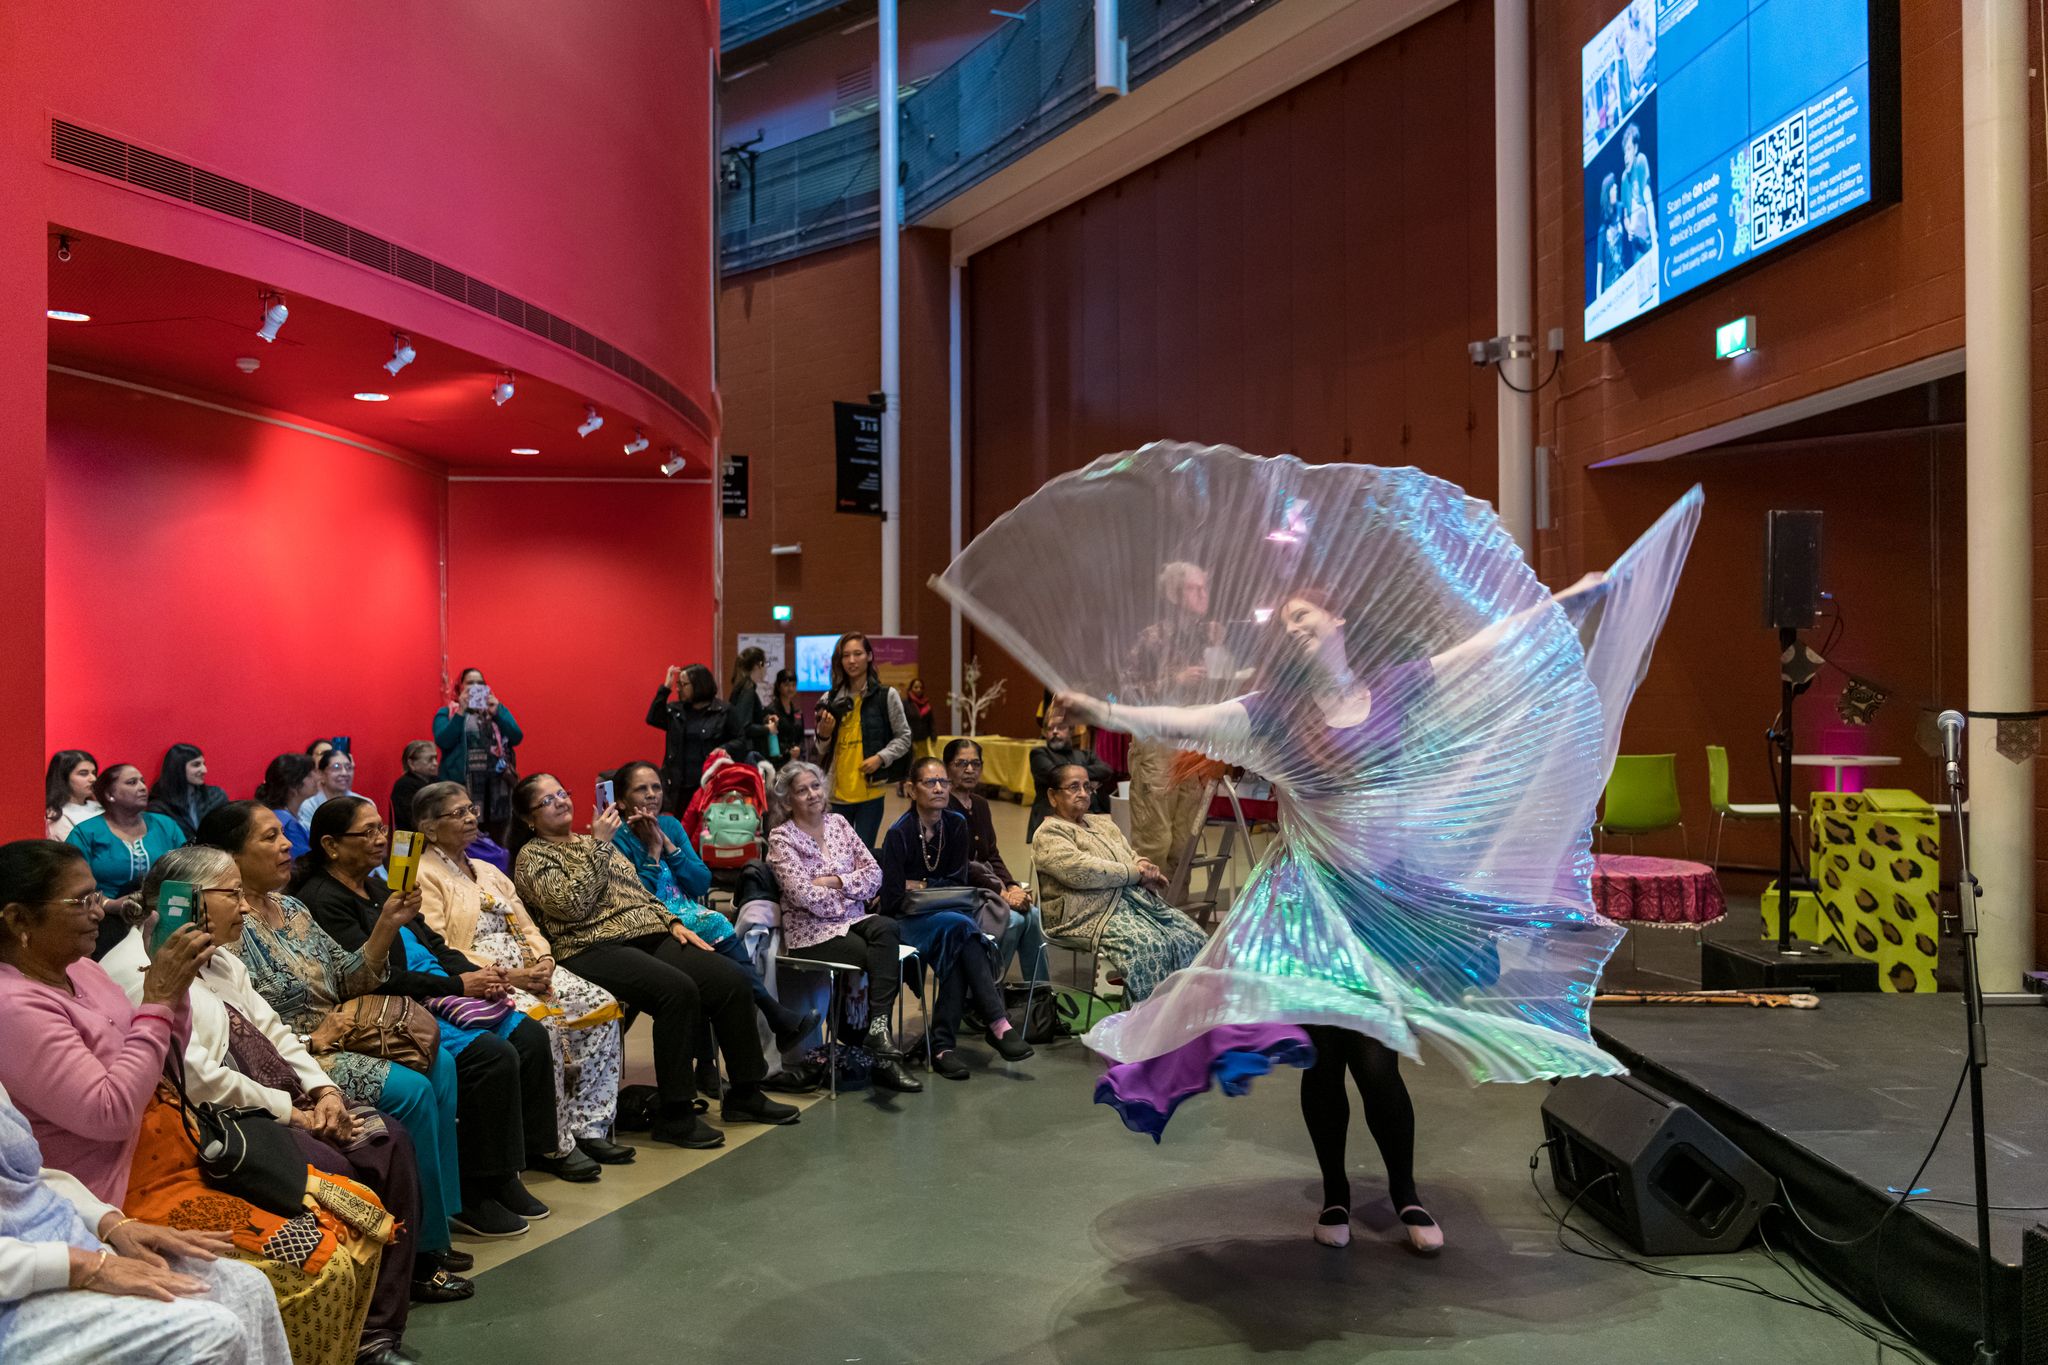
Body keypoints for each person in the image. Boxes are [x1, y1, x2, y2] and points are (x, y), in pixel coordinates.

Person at [962, 448, 1699, 1254]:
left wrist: (1568, 600)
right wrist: (1098, 702)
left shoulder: (1398, 687)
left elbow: (1478, 657)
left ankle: (1410, 1197)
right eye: (1287, 621)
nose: (1296, 623)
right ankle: (1339, 1199)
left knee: (1376, 1064)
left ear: (1338, 621)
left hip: (1385, 903)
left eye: (1308, 614)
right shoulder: (1270, 712)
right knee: (1325, 1058)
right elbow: (1184, 721)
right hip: (1308, 907)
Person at [110, 848, 439, 1356]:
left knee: (387, 1138)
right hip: (220, 1126)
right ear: (190, 900)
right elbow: (197, 1078)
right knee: (336, 1166)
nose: (244, 907)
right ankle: (345, 1331)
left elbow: (275, 1032)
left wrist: (324, 1091)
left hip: (281, 1100)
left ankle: (377, 1329)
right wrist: (294, 1114)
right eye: (232, 894)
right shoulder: (137, 973)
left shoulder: (218, 957)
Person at [194, 803, 475, 1284]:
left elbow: (349, 978)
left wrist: (387, 923)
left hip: (339, 1030)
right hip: (302, 1051)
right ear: (230, 857)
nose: (286, 845)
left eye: (283, 834)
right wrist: (311, 1037)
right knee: (410, 1091)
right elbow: (244, 1022)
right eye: (269, 838)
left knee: (442, 1062)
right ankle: (419, 1248)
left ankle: (441, 1216)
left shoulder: (293, 908)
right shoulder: (228, 927)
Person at [294, 797, 593, 1225]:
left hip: (434, 986)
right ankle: (475, 1185)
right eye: (369, 832)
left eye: (383, 829)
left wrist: (481, 975)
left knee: (528, 1035)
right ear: (331, 845)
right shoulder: (323, 899)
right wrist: (457, 985)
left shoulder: (379, 886)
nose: (382, 840)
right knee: (489, 1057)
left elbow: (433, 944)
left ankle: (509, 1170)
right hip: (391, 1004)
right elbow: (378, 978)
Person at [511, 775, 799, 1148]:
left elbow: (639, 892)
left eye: (562, 793)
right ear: (529, 819)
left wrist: (673, 921)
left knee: (730, 979)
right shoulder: (533, 857)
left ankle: (745, 1093)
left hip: (649, 933)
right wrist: (600, 845)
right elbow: (571, 905)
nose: (561, 801)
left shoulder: (592, 843)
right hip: (589, 946)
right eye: (547, 800)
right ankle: (676, 1114)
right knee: (675, 991)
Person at [412, 781, 636, 1168]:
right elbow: (440, 946)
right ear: (429, 828)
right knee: (543, 1026)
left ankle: (589, 1126)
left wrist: (545, 960)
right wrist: (512, 976)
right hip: (485, 975)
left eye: (471, 810)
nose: (470, 818)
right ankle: (552, 1142)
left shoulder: (485, 869)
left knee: (602, 1006)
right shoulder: (422, 873)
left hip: (531, 965)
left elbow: (527, 923)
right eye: (458, 813)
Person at [0, 1071, 290, 1365]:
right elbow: (114, 1109)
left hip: (89, 1219)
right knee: (212, 1333)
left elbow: (27, 1175)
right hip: (25, 1278)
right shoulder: (21, 1029)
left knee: (251, 1288)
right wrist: (83, 1266)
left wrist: (112, 1222)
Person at [607, 762, 816, 1061]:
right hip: (651, 926)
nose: (652, 794)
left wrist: (668, 844)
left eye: (656, 787)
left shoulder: (669, 825)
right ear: (623, 801)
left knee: (723, 972)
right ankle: (775, 1017)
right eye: (642, 789)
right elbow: (637, 899)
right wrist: (653, 852)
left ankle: (741, 1049)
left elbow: (700, 881)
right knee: (719, 936)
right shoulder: (617, 839)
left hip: (691, 915)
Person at [763, 762, 920, 1094]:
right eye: (802, 790)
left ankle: (877, 1030)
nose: (812, 795)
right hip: (810, 933)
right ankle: (880, 1056)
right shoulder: (781, 838)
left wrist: (835, 881)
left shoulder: (839, 824)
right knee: (875, 955)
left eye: (816, 786)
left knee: (888, 928)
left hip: (853, 920)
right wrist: (850, 893)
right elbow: (803, 896)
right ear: (788, 800)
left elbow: (875, 875)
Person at [876, 759, 1033, 1081]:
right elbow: (892, 900)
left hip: (950, 916)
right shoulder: (899, 833)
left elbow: (958, 882)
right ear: (911, 788)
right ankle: (996, 1022)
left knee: (958, 938)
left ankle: (944, 1046)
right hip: (909, 922)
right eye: (929, 782)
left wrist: (920, 885)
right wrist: (932, 888)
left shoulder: (957, 824)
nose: (938, 788)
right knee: (962, 931)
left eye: (943, 783)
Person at [1029, 763, 1205, 1007]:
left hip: (1128, 905)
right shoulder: (1050, 833)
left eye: (1087, 787)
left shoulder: (1103, 824)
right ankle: (1141, 1029)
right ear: (1053, 796)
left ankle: (1181, 1018)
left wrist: (1144, 865)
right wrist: (1135, 873)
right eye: (1073, 787)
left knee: (1192, 936)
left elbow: (1128, 853)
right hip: (1085, 915)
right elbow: (1082, 871)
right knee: (1149, 947)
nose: (1083, 793)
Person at [1123, 561, 1227, 880]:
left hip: (1193, 744)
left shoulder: (1208, 637)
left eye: (1205, 587)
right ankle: (1149, 919)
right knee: (1155, 840)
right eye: (1194, 588)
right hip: (1157, 744)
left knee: (1185, 842)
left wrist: (1220, 649)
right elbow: (1126, 692)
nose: (1203, 594)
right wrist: (1175, 681)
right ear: (1173, 594)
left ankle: (1175, 917)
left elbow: (1223, 685)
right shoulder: (1153, 638)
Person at [944, 739, 1045, 982]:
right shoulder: (943, 806)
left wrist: (1011, 885)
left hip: (989, 887)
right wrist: (1002, 892)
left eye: (975, 764)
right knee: (1011, 920)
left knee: (1032, 916)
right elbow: (963, 865)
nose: (970, 770)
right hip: (961, 889)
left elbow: (992, 854)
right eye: (962, 763)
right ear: (947, 767)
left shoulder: (980, 804)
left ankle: (1040, 994)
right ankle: (987, 993)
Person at [65, 765, 186, 958]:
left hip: (164, 917)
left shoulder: (166, 825)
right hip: (105, 921)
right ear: (110, 794)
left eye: (143, 781)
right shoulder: (86, 832)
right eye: (132, 782)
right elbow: (69, 882)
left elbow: (188, 871)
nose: (142, 787)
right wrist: (110, 904)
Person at [813, 632, 912, 846]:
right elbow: (819, 749)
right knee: (837, 854)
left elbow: (904, 737)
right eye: (846, 655)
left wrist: (881, 758)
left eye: (857, 654)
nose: (851, 660)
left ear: (869, 656)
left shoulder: (886, 695)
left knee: (863, 853)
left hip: (871, 793)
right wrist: (825, 734)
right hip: (835, 794)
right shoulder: (828, 699)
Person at [434, 669, 523, 842]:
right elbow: (444, 740)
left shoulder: (495, 711)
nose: (476, 687)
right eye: (470, 683)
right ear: (460, 688)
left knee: (499, 835)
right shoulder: (447, 713)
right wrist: (461, 711)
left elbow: (516, 736)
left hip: (497, 788)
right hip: (463, 787)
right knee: (466, 836)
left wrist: (498, 712)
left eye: (480, 683)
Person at [647, 664, 733, 811]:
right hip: (678, 785)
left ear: (699, 685)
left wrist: (724, 748)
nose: (678, 688)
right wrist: (665, 688)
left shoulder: (723, 711)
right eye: (677, 684)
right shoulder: (676, 710)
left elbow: (740, 740)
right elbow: (653, 718)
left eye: (683, 684)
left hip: (709, 782)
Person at [1027, 706, 1114, 841]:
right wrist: (1088, 779)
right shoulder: (1039, 754)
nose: (1055, 732)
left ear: (1071, 731)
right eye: (1050, 729)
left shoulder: (1084, 754)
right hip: (1052, 818)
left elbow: (1106, 770)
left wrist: (1072, 775)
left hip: (1089, 817)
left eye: (1060, 727)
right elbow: (1053, 774)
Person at [146, 745, 228, 840]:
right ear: (177, 768)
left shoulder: (216, 796)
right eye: (196, 765)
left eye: (204, 764)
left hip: (214, 853)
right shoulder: (159, 807)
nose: (204, 770)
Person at [255, 754, 319, 859]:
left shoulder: (277, 815)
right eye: (309, 775)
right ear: (294, 786)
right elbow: (304, 864)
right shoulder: (287, 824)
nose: (317, 778)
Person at [725, 647, 771, 763]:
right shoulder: (748, 690)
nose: (766, 668)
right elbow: (744, 727)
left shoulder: (743, 687)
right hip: (748, 754)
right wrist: (767, 729)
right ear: (758, 665)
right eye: (765, 663)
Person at [299, 748, 364, 828]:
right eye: (336, 767)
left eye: (348, 767)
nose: (344, 773)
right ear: (321, 774)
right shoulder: (309, 806)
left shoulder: (364, 803)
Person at [43, 751, 100, 841]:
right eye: (83, 773)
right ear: (63, 777)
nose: (93, 779)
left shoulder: (100, 807)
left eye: (94, 773)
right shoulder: (56, 815)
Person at [389, 743, 439, 834]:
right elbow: (414, 820)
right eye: (430, 759)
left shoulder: (436, 780)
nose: (435, 763)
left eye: (436, 758)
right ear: (411, 763)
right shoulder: (404, 786)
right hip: (411, 840)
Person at [764, 669, 804, 769]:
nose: (790, 688)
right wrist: (787, 752)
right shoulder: (771, 711)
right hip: (777, 763)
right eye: (787, 685)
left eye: (793, 685)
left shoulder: (797, 712)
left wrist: (799, 749)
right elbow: (770, 740)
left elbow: (801, 738)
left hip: (795, 763)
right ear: (778, 686)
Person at [903, 678, 935, 747]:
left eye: (921, 687)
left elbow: (931, 722)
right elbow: (903, 723)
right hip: (910, 741)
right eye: (916, 687)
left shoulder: (926, 704)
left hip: (924, 741)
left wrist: (933, 737)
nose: (919, 690)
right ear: (911, 688)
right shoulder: (905, 704)